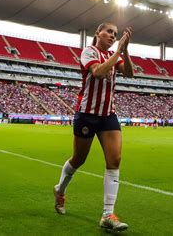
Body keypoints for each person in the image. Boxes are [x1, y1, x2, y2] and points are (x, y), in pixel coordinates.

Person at [53, 22, 134, 232]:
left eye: (115, 34)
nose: (112, 36)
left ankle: (108, 214)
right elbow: (97, 73)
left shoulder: (114, 55)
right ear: (97, 33)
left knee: (114, 160)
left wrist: (125, 51)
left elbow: (130, 74)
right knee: (79, 159)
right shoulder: (89, 51)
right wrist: (118, 52)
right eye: (109, 31)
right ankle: (60, 190)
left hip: (108, 115)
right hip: (87, 115)